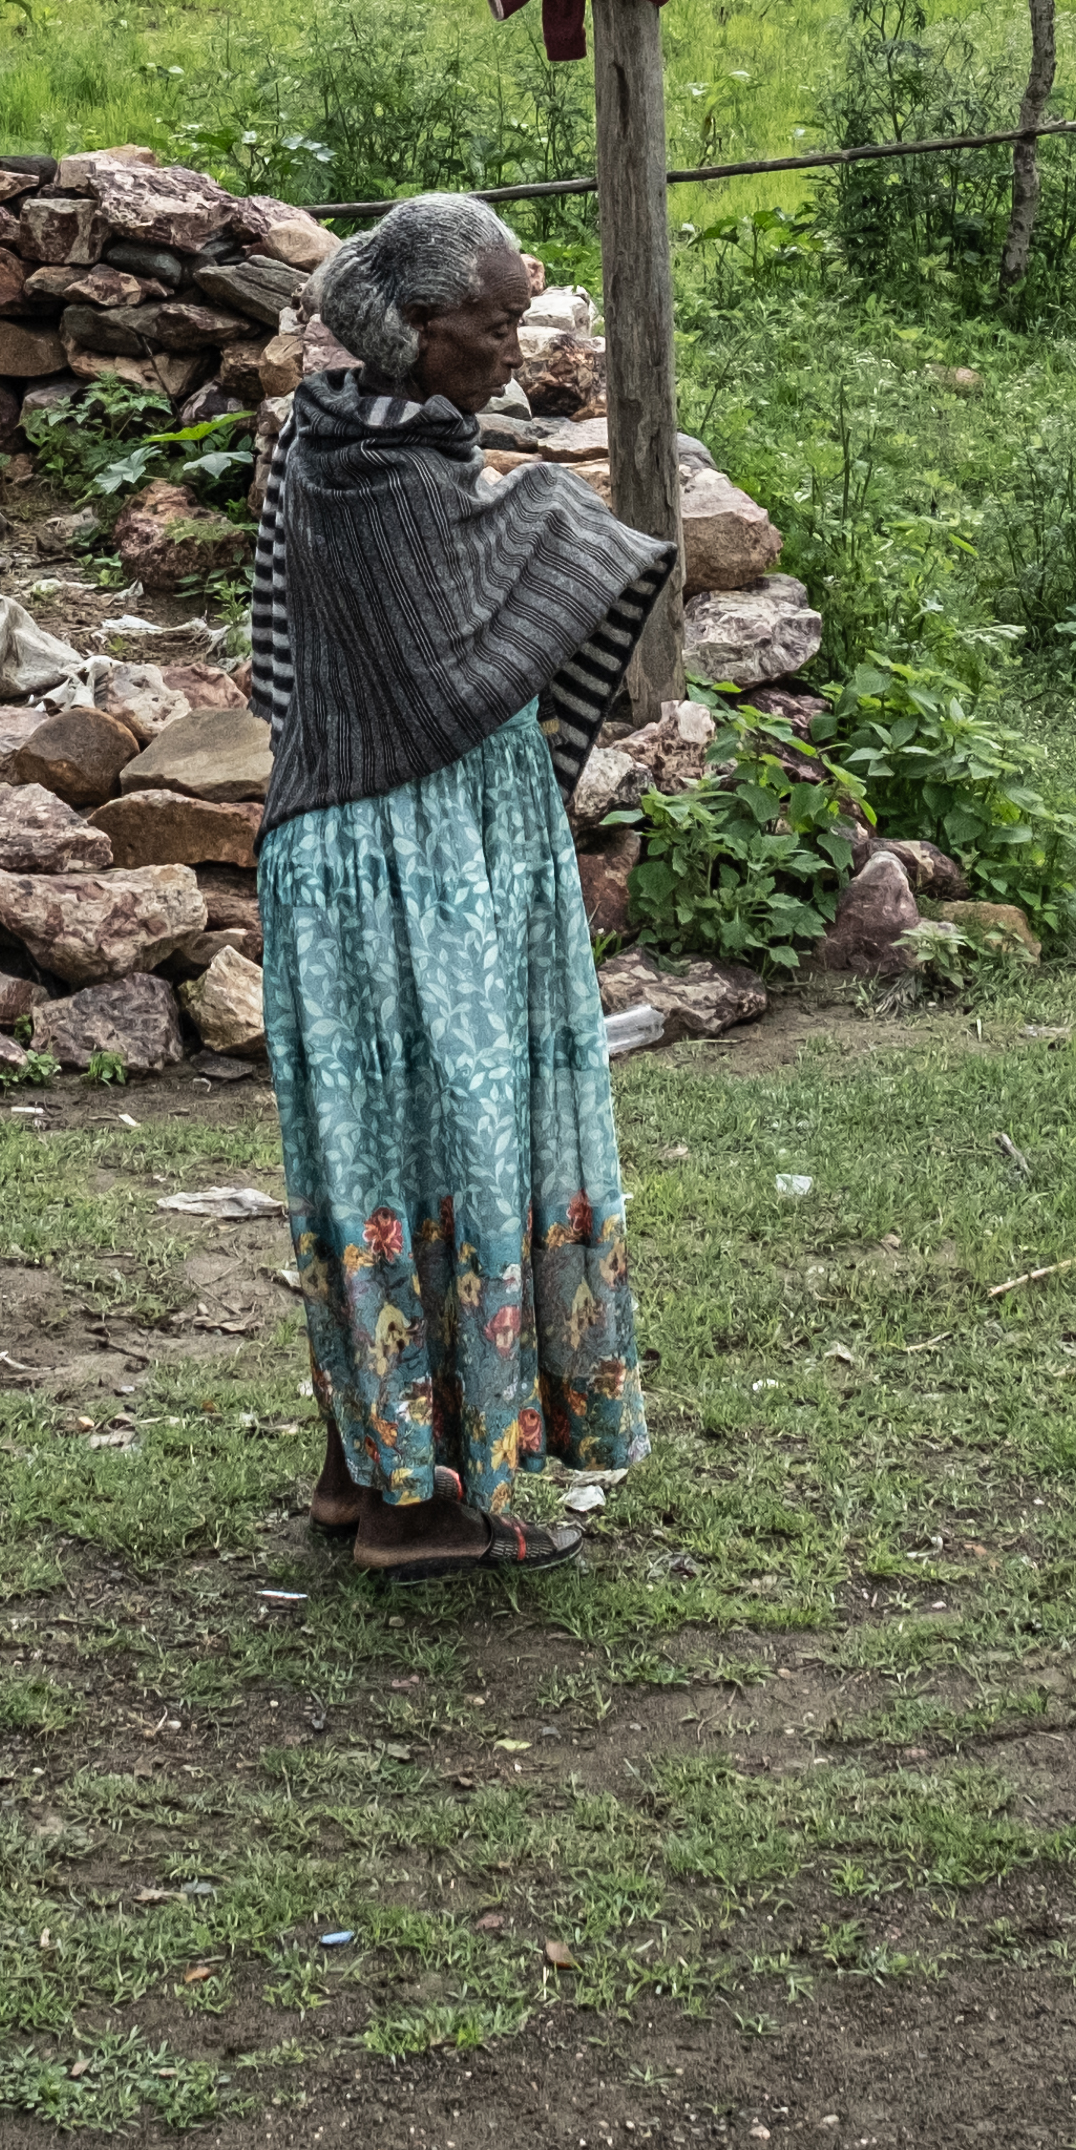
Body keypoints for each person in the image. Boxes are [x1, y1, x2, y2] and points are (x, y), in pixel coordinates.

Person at [242, 191, 678, 1574]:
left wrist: (518, 507)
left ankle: (358, 1467)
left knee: (388, 1159)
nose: (510, 348)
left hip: (384, 857)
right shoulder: (386, 480)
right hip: (399, 870)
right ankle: (415, 1512)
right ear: (417, 330)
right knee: (452, 1153)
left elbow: (311, 661)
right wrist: (554, 515)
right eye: (489, 328)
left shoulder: (344, 440)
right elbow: (439, 677)